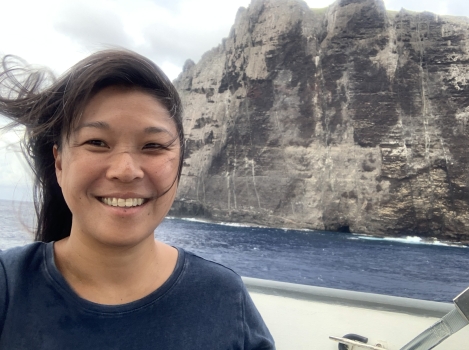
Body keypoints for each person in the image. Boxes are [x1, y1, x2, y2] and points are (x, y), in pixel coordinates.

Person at [0, 49, 275, 349]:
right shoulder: (9, 287)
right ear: (60, 163)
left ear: (180, 165)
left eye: (153, 145)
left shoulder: (223, 298)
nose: (126, 171)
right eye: (96, 143)